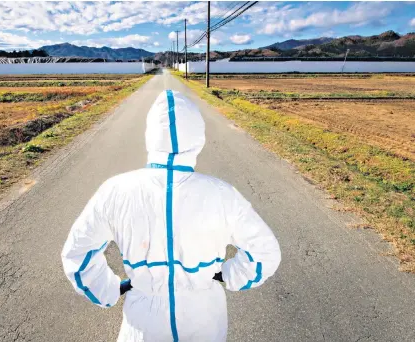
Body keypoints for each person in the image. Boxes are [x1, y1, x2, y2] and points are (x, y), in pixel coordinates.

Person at [61, 90, 281, 341]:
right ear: (198, 137)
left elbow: (78, 255)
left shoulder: (115, 191)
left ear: (150, 136)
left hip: (143, 327)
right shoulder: (222, 194)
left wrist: (109, 290)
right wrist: (228, 275)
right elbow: (265, 253)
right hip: (205, 323)